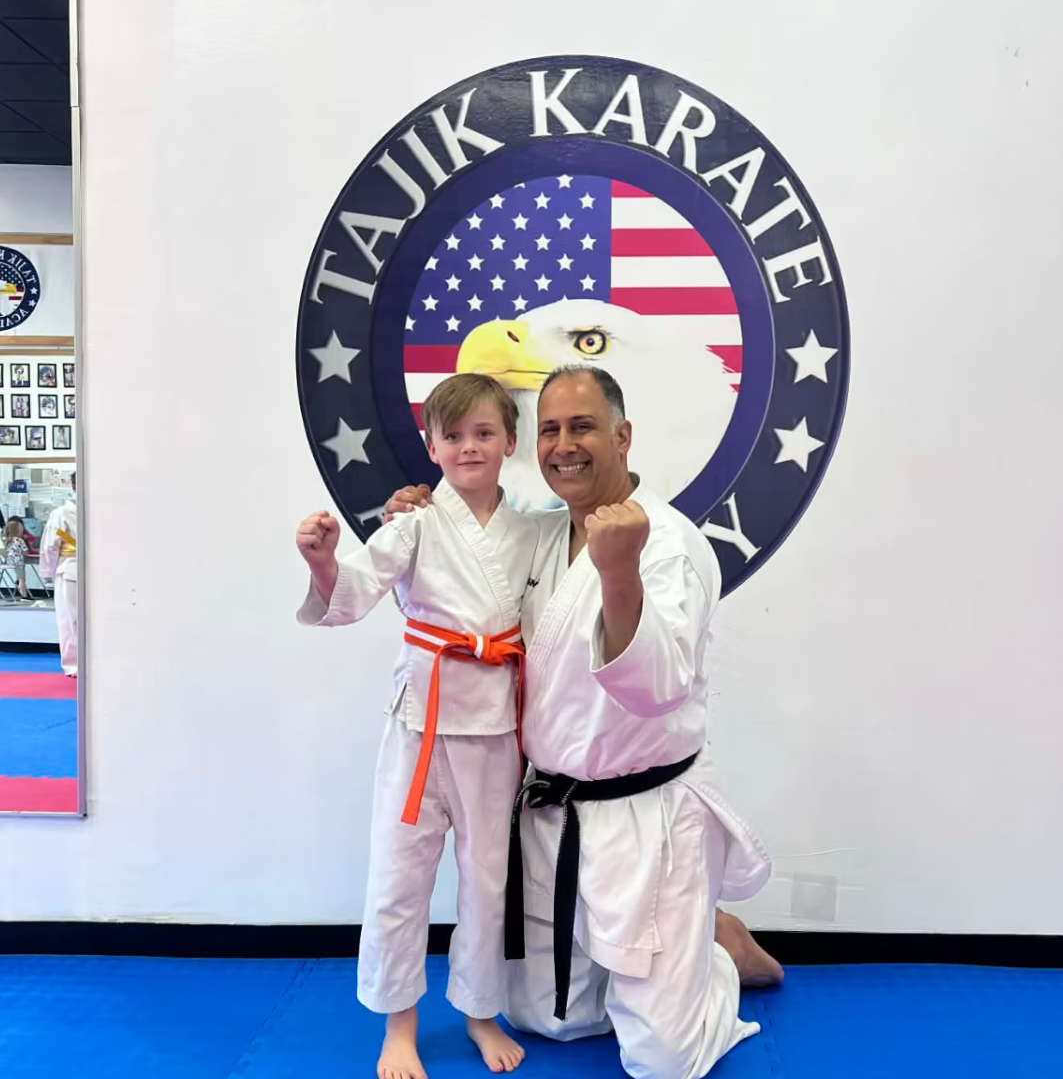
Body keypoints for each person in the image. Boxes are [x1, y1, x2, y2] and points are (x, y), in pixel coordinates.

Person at [387, 366, 783, 1079]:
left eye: (583, 427)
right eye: (550, 430)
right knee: (547, 1020)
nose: (564, 445)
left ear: (623, 437)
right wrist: (423, 515)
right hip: (553, 812)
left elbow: (659, 687)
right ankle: (688, 942)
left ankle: (716, 957)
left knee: (663, 1058)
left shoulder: (669, 544)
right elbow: (456, 597)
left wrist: (620, 572)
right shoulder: (538, 535)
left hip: (645, 815)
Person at [296, 373, 538, 1079]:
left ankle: (480, 1010)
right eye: (454, 436)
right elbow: (350, 596)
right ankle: (398, 1026)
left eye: (484, 433)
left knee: (489, 882)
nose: (469, 447)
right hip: (420, 727)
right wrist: (319, 559)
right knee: (400, 876)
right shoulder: (412, 524)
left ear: (509, 442)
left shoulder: (532, 533)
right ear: (431, 446)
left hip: (497, 731)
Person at [40, 474, 78, 676]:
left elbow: (50, 546)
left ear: (72, 486)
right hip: (94, 570)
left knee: (69, 620)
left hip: (70, 569)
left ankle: (74, 665)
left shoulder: (61, 514)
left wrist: (47, 572)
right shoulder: (103, 511)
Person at [2, 517, 31, 601]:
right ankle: (24, 596)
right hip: (19, 563)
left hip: (9, 562)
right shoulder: (20, 540)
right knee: (22, 579)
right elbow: (25, 551)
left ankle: (19, 586)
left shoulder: (6, 540)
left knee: (19, 578)